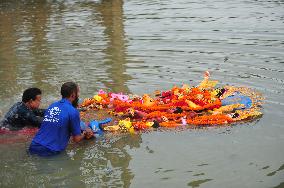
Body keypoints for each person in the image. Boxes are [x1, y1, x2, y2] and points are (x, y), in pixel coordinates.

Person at [29, 82, 93, 157]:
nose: (78, 95)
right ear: (73, 94)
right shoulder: (73, 111)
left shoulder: (52, 106)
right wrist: (85, 133)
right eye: (78, 92)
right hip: (50, 151)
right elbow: (77, 139)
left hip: (33, 146)